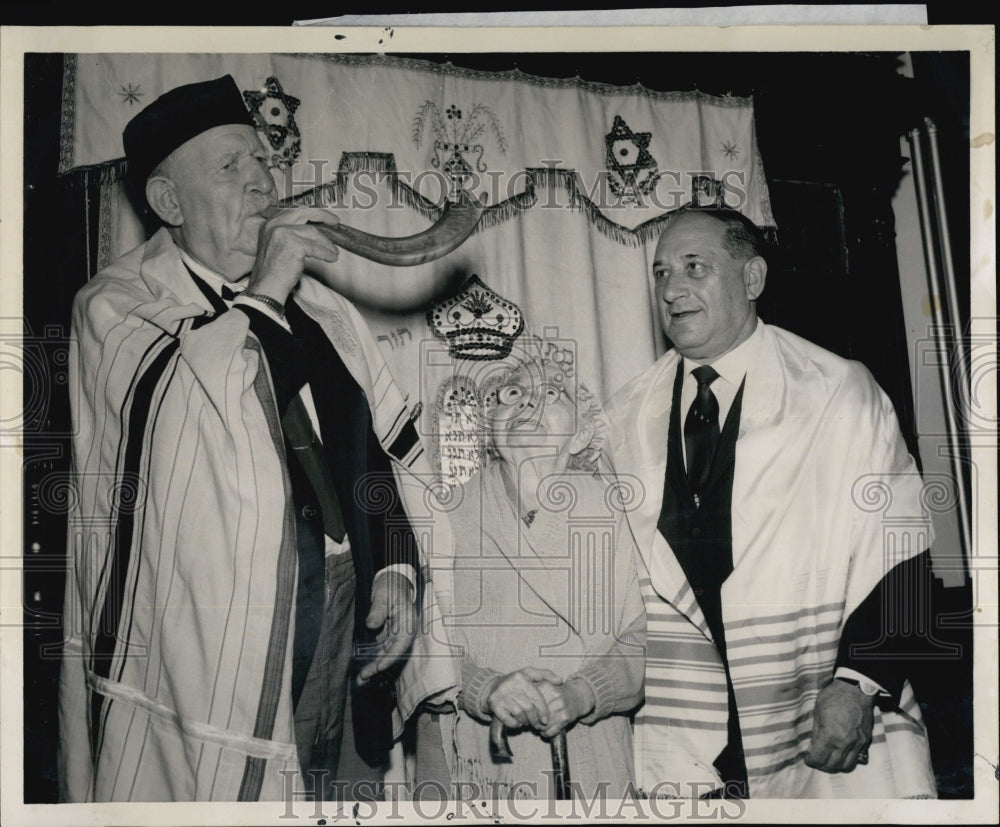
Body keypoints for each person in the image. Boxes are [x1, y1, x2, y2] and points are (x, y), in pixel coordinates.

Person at [58, 75, 454, 802]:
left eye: (262, 162)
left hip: (346, 612)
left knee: (345, 794)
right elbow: (189, 414)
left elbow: (375, 450)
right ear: (168, 203)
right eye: (230, 167)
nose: (261, 183)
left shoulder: (320, 306)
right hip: (214, 652)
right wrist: (265, 289)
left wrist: (394, 567)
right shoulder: (116, 306)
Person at [606, 207, 938, 798]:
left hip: (817, 713)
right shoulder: (626, 414)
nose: (672, 288)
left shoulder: (836, 392)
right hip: (688, 734)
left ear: (752, 279)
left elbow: (902, 549)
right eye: (660, 273)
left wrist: (859, 681)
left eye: (694, 267)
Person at [434, 353, 646, 801]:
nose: (527, 402)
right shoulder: (444, 512)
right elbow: (418, 643)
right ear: (490, 426)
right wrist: (484, 687)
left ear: (583, 432)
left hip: (595, 758)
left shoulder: (621, 512)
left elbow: (652, 637)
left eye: (551, 393)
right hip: (484, 766)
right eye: (512, 393)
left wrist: (584, 693)